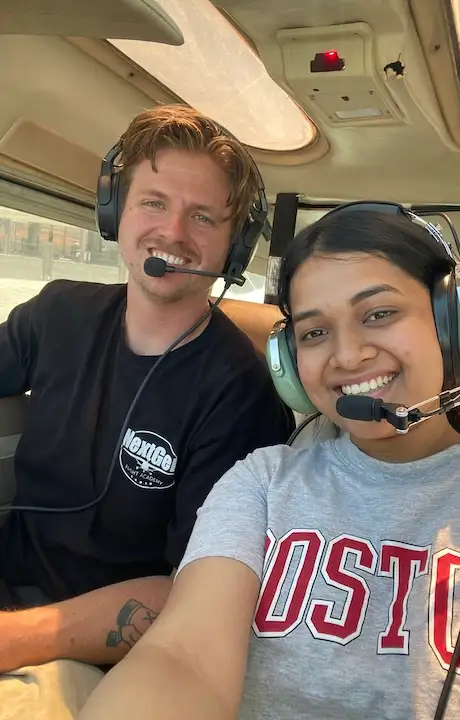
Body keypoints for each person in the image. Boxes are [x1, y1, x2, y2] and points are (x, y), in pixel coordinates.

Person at [79, 204, 460, 720]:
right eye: (315, 332)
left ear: (453, 322)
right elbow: (181, 656)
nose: (347, 356)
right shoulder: (262, 481)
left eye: (379, 313)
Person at [0, 104, 295, 674]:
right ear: (116, 211)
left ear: (236, 247)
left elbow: (194, 590)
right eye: (153, 203)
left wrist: (13, 641)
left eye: (203, 217)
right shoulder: (57, 311)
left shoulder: (242, 393)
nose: (173, 233)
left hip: (93, 656)